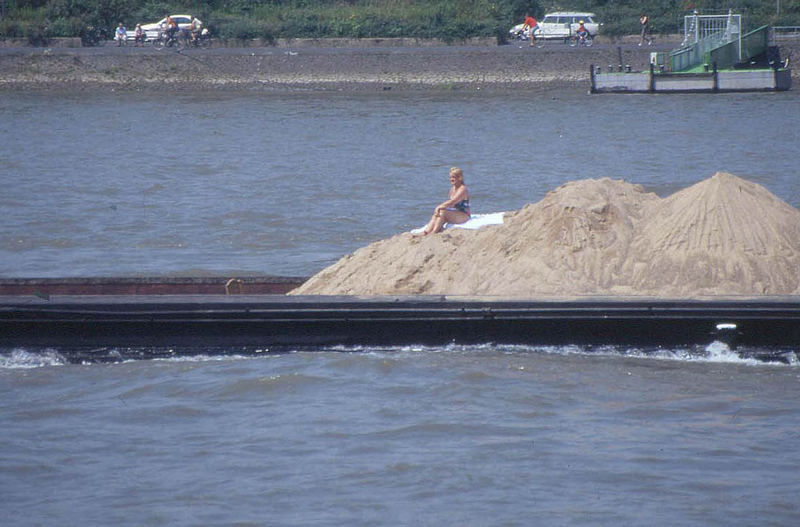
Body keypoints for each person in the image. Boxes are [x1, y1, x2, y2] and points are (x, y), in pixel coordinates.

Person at [417, 167, 471, 236]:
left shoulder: (462, 189)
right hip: (455, 213)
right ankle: (426, 232)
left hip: (464, 215)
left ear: (459, 178)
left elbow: (453, 201)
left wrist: (439, 206)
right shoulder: (452, 189)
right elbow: (451, 205)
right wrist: (439, 209)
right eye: (450, 177)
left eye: (453, 177)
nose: (451, 179)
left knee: (442, 211)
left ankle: (434, 232)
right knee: (437, 213)